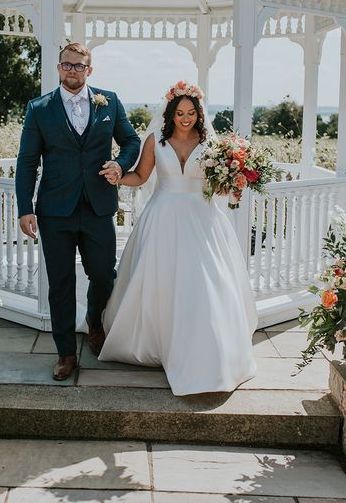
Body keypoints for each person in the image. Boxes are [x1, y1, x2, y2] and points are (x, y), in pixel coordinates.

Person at [98, 81, 257, 396]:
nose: (186, 118)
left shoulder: (212, 143)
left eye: (191, 113)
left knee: (206, 284)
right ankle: (160, 342)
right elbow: (141, 176)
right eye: (180, 112)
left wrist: (235, 183)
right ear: (170, 112)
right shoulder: (155, 141)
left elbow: (220, 188)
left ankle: (208, 353)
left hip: (203, 219)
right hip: (163, 218)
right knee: (163, 281)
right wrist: (118, 177)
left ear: (199, 113)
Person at [15, 43, 140, 381]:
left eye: (79, 66)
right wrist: (25, 208)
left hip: (98, 207)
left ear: (90, 69)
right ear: (58, 68)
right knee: (60, 282)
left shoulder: (109, 101)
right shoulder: (39, 108)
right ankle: (66, 353)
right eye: (67, 65)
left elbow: (132, 142)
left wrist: (120, 163)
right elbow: (27, 161)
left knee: (103, 275)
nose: (72, 70)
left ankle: (95, 320)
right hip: (55, 211)